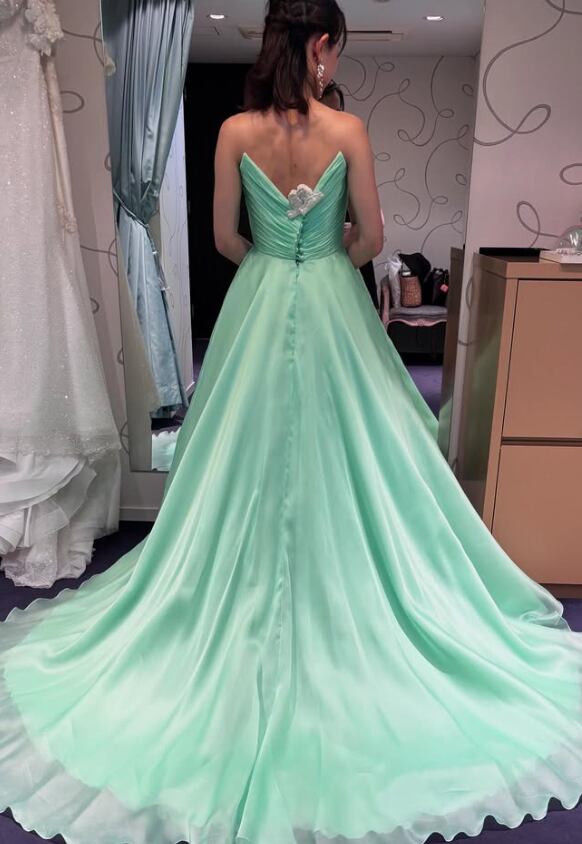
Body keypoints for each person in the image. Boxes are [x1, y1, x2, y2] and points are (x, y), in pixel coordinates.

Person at [1, 2, 582, 843]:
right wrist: (325, 256)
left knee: (235, 454)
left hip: (260, 297)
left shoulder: (234, 131)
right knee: (363, 452)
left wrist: (277, 260)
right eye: (335, 47)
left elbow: (223, 238)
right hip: (332, 297)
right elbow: (371, 237)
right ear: (323, 48)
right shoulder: (348, 129)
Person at [320, 79, 380, 309]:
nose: (335, 120)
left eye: (338, 112)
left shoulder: (349, 150)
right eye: (327, 112)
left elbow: (369, 229)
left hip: (345, 256)